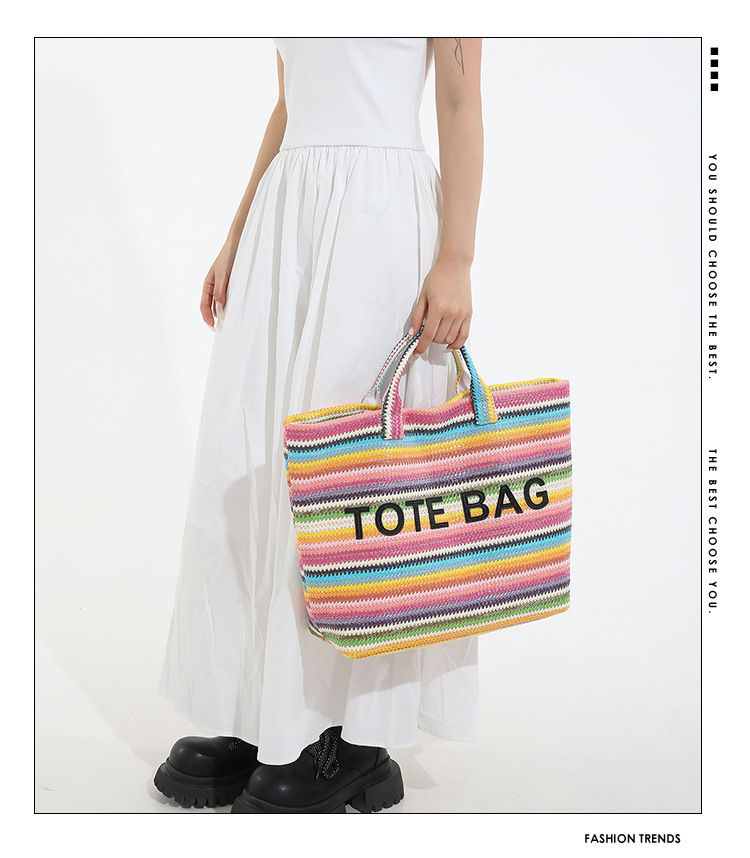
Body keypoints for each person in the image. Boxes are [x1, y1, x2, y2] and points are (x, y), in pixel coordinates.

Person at [154, 36, 484, 814]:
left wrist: (458, 259)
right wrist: (239, 231)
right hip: (288, 220)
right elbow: (289, 101)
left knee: (358, 482)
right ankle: (268, 711)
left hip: (378, 218)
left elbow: (460, 100)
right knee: (261, 465)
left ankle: (356, 739)